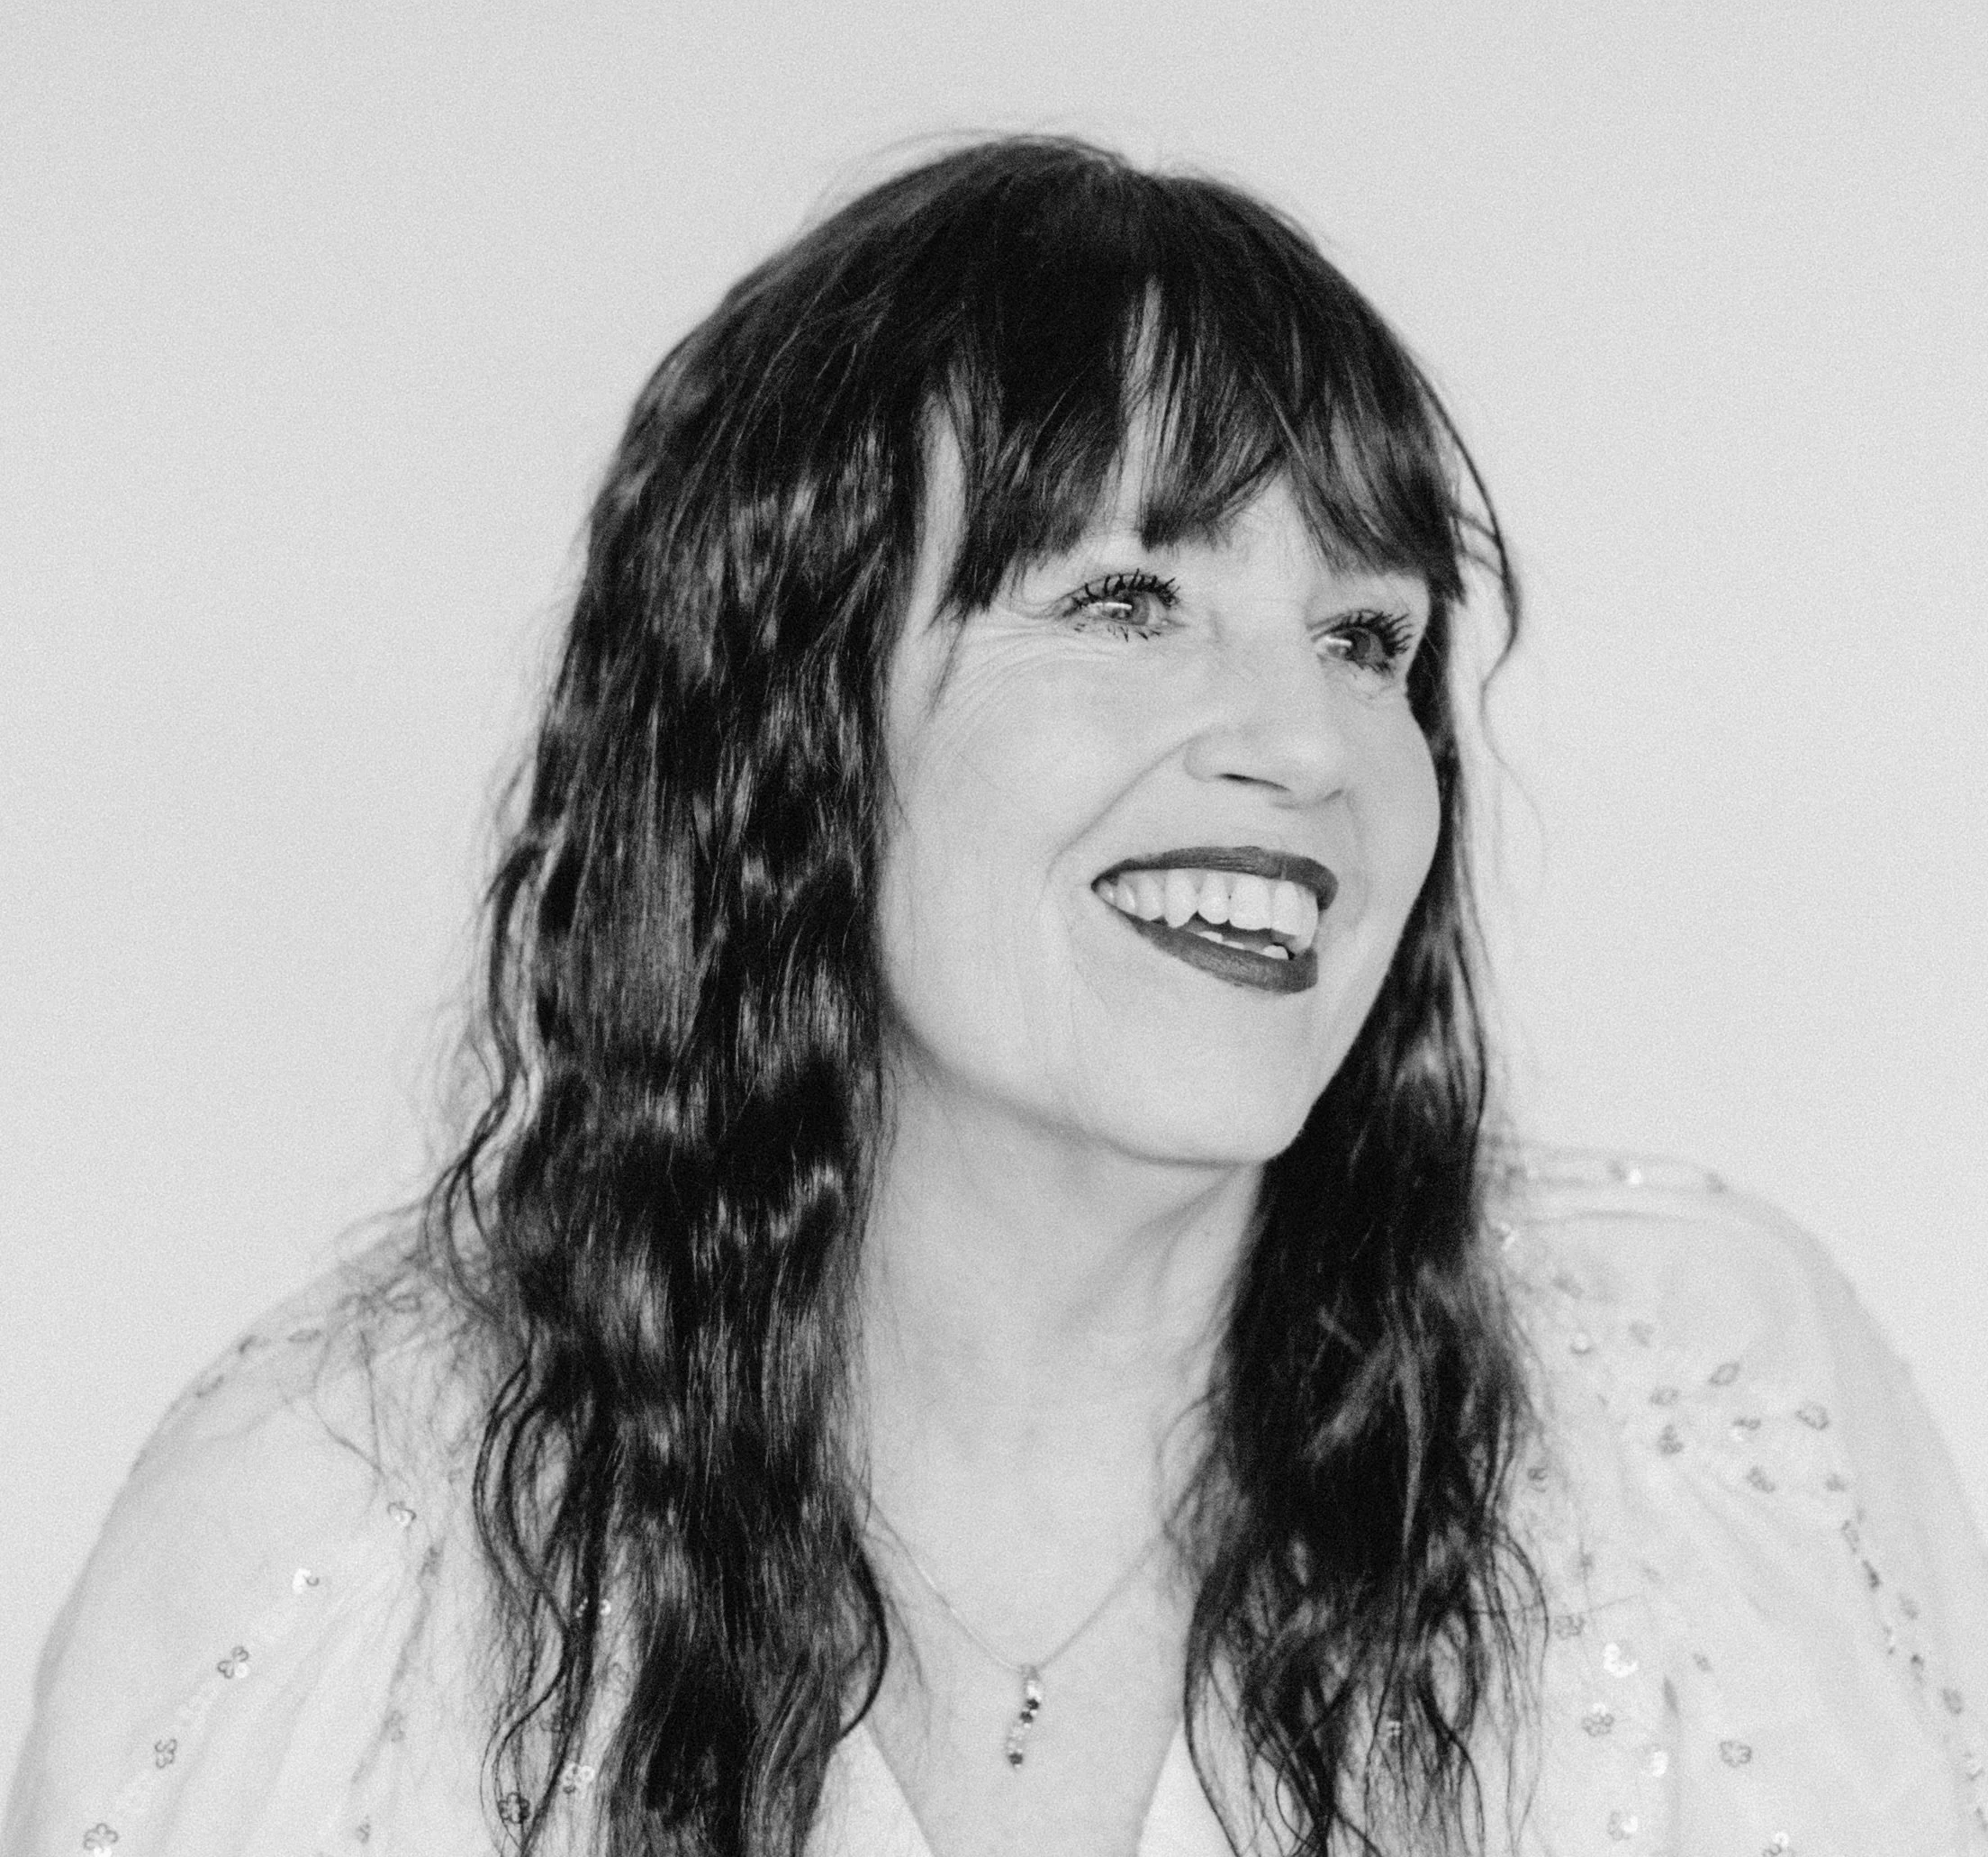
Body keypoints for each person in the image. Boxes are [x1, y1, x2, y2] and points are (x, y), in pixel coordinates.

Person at [7, 136, 1986, 1857]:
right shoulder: (344, 1528)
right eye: (1128, 601)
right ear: (789, 727)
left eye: (1366, 635)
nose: (1308, 742)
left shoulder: (1702, 1418)